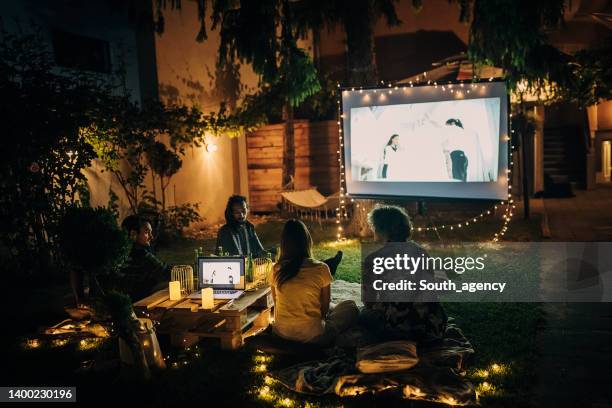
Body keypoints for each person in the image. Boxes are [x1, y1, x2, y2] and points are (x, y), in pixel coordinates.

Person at [360, 205, 448, 344]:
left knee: (362, 315)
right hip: (432, 328)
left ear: (381, 229)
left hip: (397, 331)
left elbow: (369, 301)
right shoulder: (421, 253)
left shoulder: (373, 259)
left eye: (373, 226)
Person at [271, 220, 359, 344]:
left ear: (284, 244)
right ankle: (331, 263)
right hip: (313, 337)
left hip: (282, 333)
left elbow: (275, 302)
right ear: (308, 242)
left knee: (328, 304)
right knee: (350, 307)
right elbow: (324, 308)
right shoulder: (321, 268)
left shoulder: (276, 269)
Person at [216, 195, 344, 274]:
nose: (241, 215)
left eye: (243, 211)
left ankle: (322, 264)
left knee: (285, 250)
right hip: (241, 270)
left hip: (255, 261)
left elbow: (259, 250)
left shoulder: (248, 226)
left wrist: (273, 254)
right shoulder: (227, 232)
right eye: (237, 212)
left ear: (247, 209)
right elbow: (236, 261)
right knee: (285, 262)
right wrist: (264, 260)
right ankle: (322, 266)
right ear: (230, 213)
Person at [117, 215, 171, 300]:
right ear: (133, 234)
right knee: (172, 283)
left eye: (151, 232)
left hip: (123, 298)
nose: (151, 237)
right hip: (138, 299)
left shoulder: (119, 252)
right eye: (146, 232)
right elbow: (165, 272)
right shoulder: (141, 254)